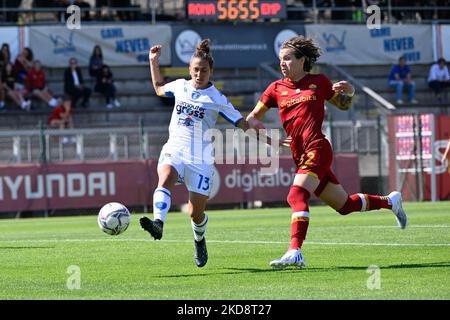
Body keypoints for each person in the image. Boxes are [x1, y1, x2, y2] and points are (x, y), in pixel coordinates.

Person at [246, 35, 408, 269]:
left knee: (296, 195)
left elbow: (343, 104)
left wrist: (350, 92)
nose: (282, 64)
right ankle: (390, 202)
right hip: (300, 155)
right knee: (345, 206)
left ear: (302, 60)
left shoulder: (319, 81)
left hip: (318, 148)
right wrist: (268, 138)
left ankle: (295, 251)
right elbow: (251, 119)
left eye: (287, 59)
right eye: (280, 59)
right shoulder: (275, 89)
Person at [139, 39, 251, 268]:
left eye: (204, 70)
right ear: (190, 70)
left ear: (211, 72)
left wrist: (270, 139)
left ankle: (199, 240)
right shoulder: (180, 86)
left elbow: (242, 123)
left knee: (195, 213)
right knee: (166, 175)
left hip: (201, 158)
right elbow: (160, 88)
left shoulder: (217, 99)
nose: (199, 74)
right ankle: (158, 223)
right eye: (196, 69)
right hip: (175, 148)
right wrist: (153, 62)